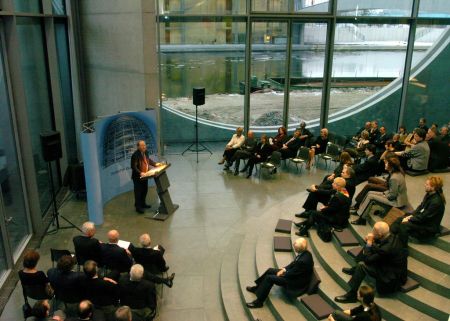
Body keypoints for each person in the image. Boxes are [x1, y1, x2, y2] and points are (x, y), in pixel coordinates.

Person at [335, 222, 407, 303]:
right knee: (367, 248)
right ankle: (354, 270)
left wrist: (369, 243)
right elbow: (378, 249)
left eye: (373, 231)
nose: (371, 232)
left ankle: (352, 295)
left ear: (380, 234)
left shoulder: (386, 249)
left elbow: (368, 259)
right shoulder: (390, 236)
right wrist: (370, 243)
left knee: (362, 264)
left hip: (390, 277)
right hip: (386, 264)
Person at [245, 238, 313, 308]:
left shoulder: (302, 261)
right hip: (294, 275)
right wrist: (284, 269)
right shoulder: (305, 253)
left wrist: (282, 273)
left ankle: (259, 302)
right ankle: (257, 288)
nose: (294, 248)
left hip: (295, 282)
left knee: (269, 278)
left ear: (299, 249)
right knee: (270, 270)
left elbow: (292, 274)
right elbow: (293, 264)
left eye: (295, 248)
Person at [352, 157, 409, 226]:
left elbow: (392, 195)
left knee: (370, 196)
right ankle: (360, 212)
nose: (385, 164)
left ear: (391, 166)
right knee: (369, 193)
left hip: (397, 201)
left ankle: (362, 219)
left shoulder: (394, 178)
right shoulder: (397, 173)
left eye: (386, 163)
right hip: (393, 195)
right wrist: (383, 193)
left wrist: (383, 194)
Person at [391, 176, 445, 243]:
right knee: (400, 219)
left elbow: (423, 217)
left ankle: (402, 246)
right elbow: (421, 207)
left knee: (404, 224)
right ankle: (391, 238)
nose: (424, 185)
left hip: (428, 228)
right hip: (423, 221)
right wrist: (411, 215)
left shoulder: (436, 202)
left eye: (427, 184)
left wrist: (409, 219)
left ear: (433, 187)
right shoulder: (429, 194)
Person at [131, 140, 162, 214]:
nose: (144, 147)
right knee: (138, 192)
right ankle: (138, 207)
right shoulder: (135, 155)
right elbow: (133, 167)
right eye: (142, 145)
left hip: (146, 175)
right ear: (138, 147)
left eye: (144, 145)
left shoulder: (146, 152)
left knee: (144, 190)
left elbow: (148, 160)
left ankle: (143, 204)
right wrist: (140, 173)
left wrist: (155, 164)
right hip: (138, 177)